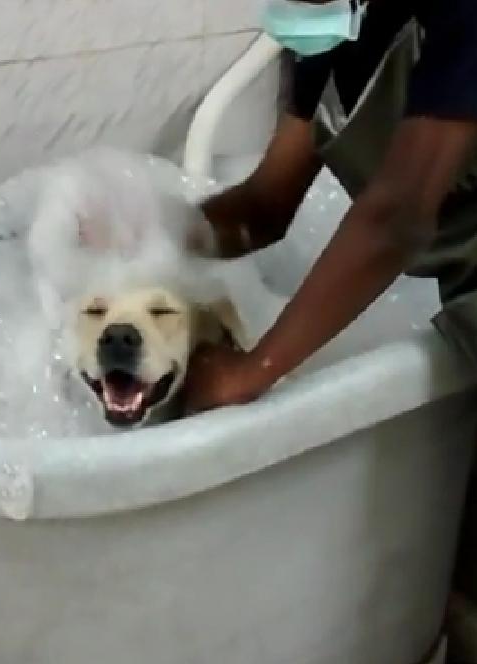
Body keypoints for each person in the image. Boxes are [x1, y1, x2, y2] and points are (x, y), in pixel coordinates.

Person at [184, 0, 477, 660]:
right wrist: (152, 235)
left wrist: (251, 371)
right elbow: (266, 204)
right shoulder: (327, 23)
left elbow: (398, 215)